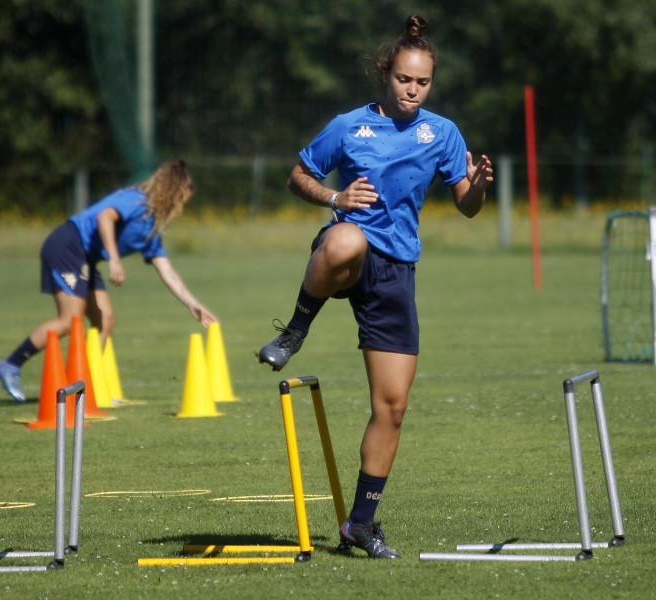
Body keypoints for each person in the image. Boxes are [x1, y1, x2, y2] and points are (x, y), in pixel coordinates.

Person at [257, 15, 493, 559]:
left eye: (423, 82)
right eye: (404, 79)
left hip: (396, 273)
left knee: (393, 407)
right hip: (348, 254)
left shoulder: (443, 133)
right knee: (346, 242)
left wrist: (477, 187)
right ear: (386, 75)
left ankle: (359, 524)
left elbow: (467, 206)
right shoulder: (348, 125)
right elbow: (299, 175)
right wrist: (335, 200)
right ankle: (294, 331)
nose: (413, 90)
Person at [0, 159, 217, 402]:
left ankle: (78, 387)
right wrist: (114, 259)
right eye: (181, 201)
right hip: (68, 244)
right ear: (171, 192)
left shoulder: (152, 229)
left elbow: (166, 269)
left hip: (84, 257)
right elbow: (104, 217)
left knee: (105, 320)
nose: (181, 210)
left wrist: (191, 303)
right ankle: (11, 365)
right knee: (70, 319)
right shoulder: (136, 200)